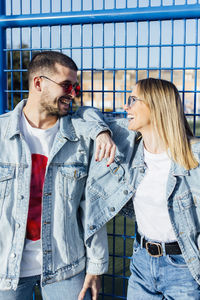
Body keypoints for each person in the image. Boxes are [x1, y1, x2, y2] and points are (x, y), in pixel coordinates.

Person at [0, 50, 116, 300]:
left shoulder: (81, 138)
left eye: (75, 86)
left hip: (66, 267)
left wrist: (95, 266)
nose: (73, 93)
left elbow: (92, 208)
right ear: (38, 83)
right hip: (5, 270)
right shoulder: (1, 134)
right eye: (66, 85)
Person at [80, 78, 200, 299]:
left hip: (185, 267)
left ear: (156, 106)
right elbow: (83, 114)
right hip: (142, 262)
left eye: (133, 100)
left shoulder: (194, 157)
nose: (126, 106)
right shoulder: (128, 144)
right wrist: (101, 133)